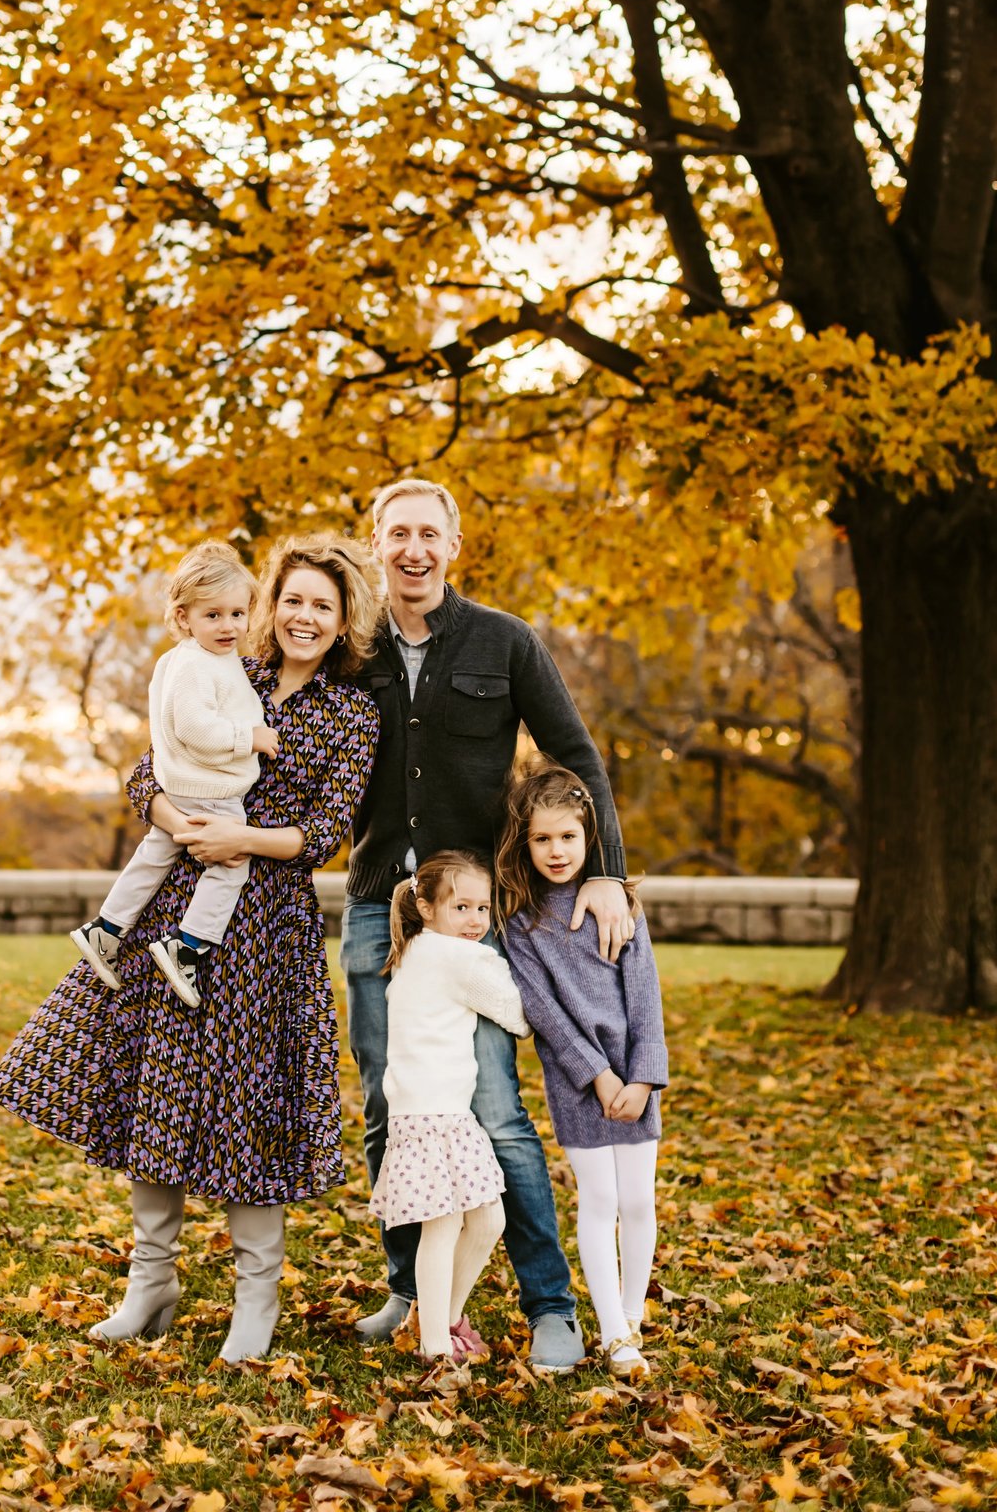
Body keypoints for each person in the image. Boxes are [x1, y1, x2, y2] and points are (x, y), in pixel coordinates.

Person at [0, 532, 381, 1364]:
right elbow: (147, 769)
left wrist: (241, 837)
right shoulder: (223, 661)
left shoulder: (352, 711)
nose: (304, 616)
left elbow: (326, 832)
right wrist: (173, 821)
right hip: (175, 911)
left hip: (265, 929)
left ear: (344, 620)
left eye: (323, 605)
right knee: (157, 1090)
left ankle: (255, 1297)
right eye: (294, 600)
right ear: (271, 606)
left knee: (247, 1107)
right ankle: (151, 1283)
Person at [342, 475, 637, 1372]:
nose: (413, 550)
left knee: (497, 1113)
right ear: (377, 544)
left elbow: (574, 753)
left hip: (475, 921)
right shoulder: (354, 653)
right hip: (377, 913)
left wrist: (610, 873)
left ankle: (550, 1305)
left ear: (454, 543)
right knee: (390, 1107)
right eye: (397, 534)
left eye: (429, 533)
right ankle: (414, 1289)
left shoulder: (504, 642)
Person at [496, 759, 668, 1377]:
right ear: (525, 843)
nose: (556, 850)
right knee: (599, 1200)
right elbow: (544, 1013)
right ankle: (613, 1333)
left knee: (639, 1201)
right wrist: (599, 1076)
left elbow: (645, 997)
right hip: (582, 1083)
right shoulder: (523, 924)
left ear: (589, 837)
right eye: (541, 839)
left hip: (636, 1076)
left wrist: (644, 1076)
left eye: (567, 836)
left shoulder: (619, 905)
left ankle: (632, 1319)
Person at [69, 541, 277, 1009]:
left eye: (237, 614)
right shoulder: (197, 666)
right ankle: (187, 945)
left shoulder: (188, 660)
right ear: (184, 618)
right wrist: (251, 737)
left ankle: (106, 930)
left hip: (180, 788)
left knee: (152, 857)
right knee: (231, 866)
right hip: (210, 790)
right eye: (213, 615)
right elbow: (194, 727)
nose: (229, 626)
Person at [370, 852, 529, 1361]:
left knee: (487, 1221)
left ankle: (446, 1316)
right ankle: (436, 1349)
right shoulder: (458, 958)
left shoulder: (416, 948)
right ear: (427, 907)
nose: (477, 921)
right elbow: (517, 1015)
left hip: (443, 1115)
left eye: (483, 908)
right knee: (443, 1228)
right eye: (462, 907)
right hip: (431, 1114)